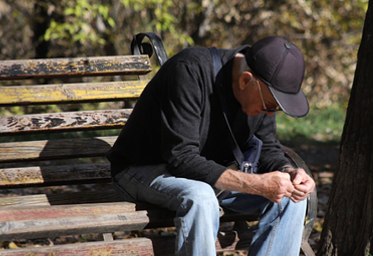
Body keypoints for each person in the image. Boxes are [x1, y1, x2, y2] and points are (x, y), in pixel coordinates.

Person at [107, 36, 316, 256]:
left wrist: (288, 171)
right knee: (202, 197)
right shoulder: (188, 71)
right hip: (142, 170)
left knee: (291, 197)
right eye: (269, 106)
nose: (270, 113)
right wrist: (256, 183)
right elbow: (181, 159)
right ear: (246, 80)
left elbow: (268, 147)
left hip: (205, 174)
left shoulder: (261, 93)